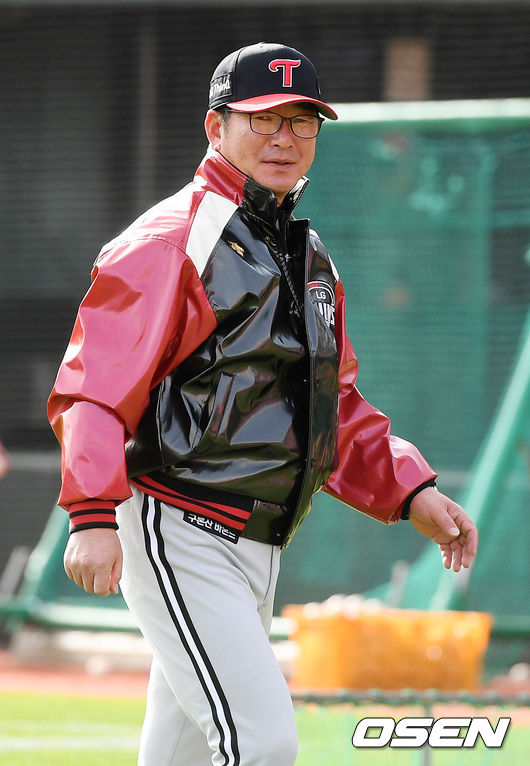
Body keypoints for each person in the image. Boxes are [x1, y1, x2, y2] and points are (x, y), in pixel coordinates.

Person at [48, 42, 478, 766]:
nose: (285, 138)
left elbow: (330, 404)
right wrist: (91, 514)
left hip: (256, 538)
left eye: (302, 121)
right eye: (264, 119)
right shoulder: (171, 239)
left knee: (185, 755)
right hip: (179, 523)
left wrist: (411, 490)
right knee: (262, 743)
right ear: (215, 128)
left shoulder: (307, 255)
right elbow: (95, 385)